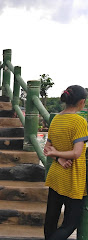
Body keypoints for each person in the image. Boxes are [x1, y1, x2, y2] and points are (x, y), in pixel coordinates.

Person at [43, 85, 88, 240]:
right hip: (72, 178)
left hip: (56, 175)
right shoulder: (79, 122)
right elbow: (77, 153)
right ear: (82, 102)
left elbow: (46, 149)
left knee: (51, 220)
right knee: (70, 224)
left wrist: (58, 158)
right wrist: (57, 153)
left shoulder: (56, 119)